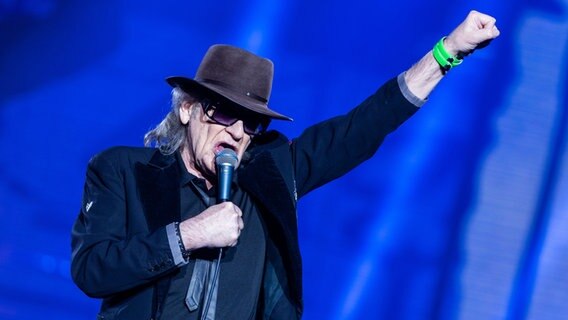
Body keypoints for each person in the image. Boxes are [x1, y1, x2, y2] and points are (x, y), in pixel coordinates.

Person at [71, 10, 499, 320]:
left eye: (251, 122)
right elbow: (92, 270)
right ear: (187, 109)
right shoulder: (122, 171)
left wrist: (448, 52)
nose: (238, 131)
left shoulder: (271, 176)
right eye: (222, 112)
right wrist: (189, 235)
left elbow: (363, 127)